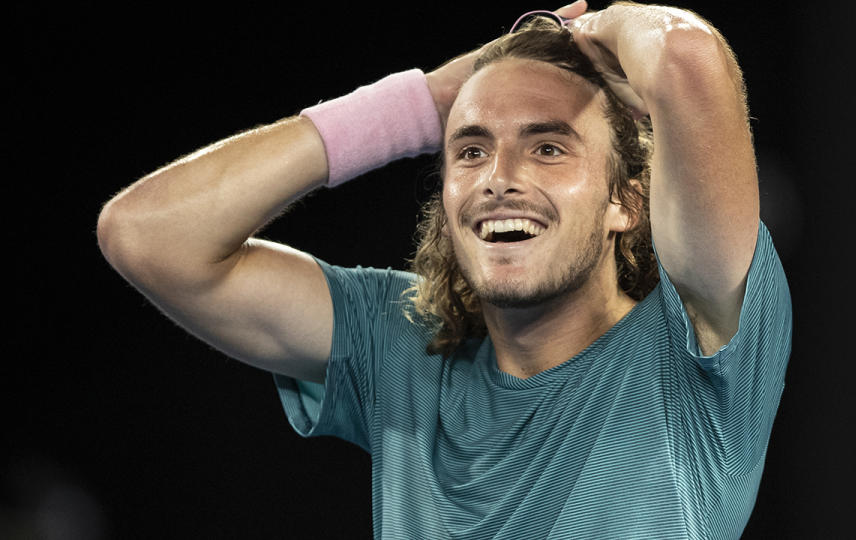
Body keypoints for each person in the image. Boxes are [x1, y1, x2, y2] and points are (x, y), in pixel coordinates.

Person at [97, 1, 792, 538]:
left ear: (624, 203)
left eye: (548, 147)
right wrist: (419, 104)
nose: (500, 178)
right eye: (469, 149)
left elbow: (687, 59)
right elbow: (146, 236)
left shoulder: (698, 354)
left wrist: (586, 31)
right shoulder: (399, 339)